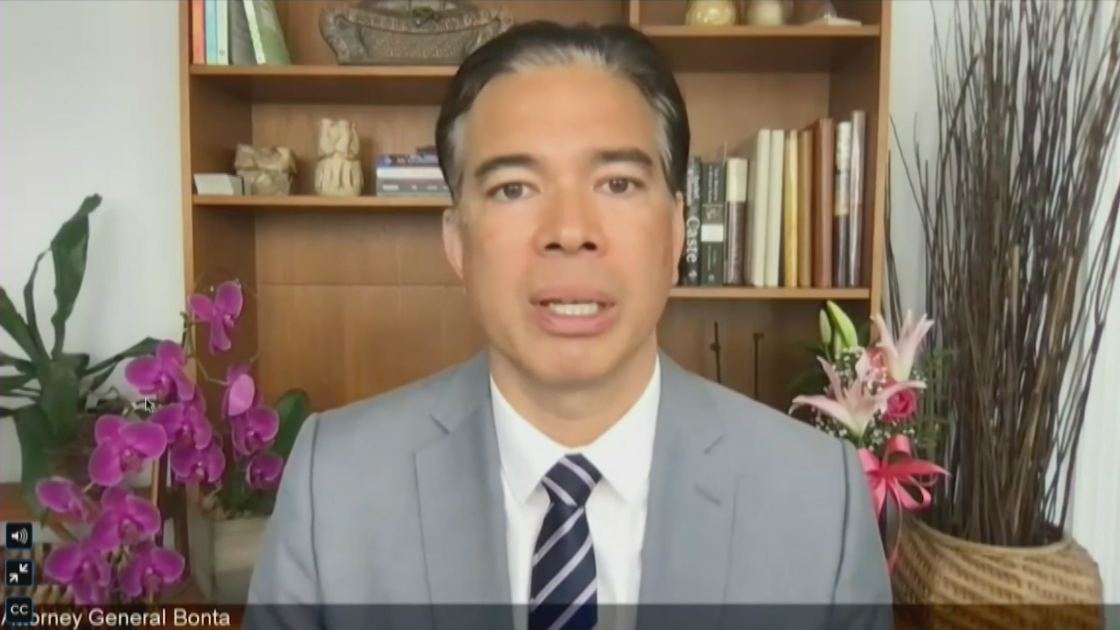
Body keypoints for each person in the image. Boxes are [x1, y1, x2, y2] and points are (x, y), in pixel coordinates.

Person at [245, 19, 892, 630]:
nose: (569, 232)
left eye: (616, 184)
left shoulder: (816, 498)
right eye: (514, 189)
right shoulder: (336, 485)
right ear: (456, 244)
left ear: (675, 234)